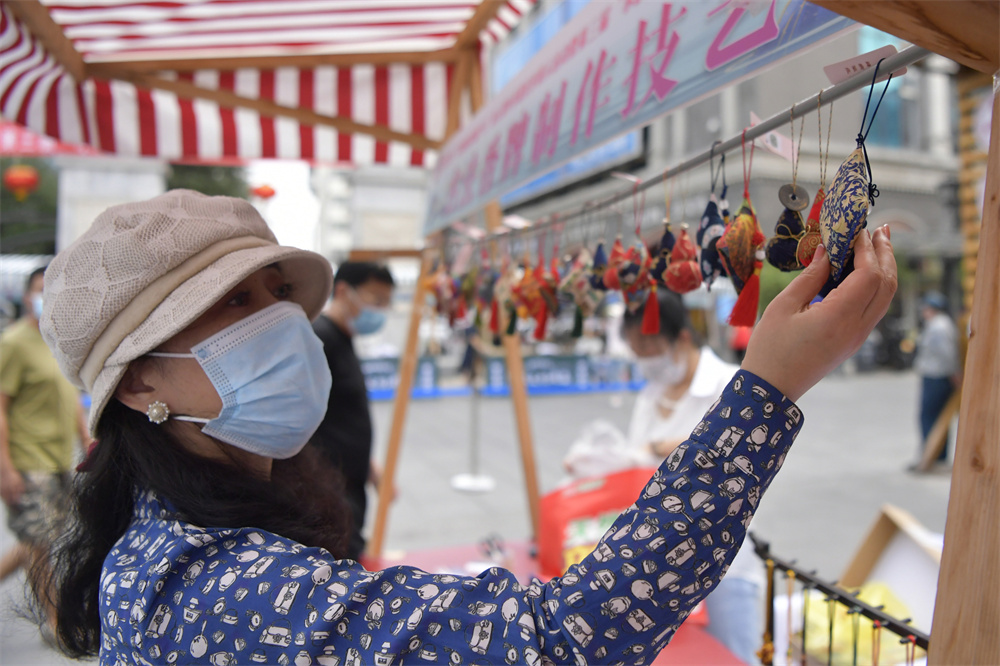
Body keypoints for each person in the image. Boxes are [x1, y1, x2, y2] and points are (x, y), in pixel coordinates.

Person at [36, 190, 896, 664]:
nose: (284, 324)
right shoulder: (219, 588)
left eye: (275, 295)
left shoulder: (172, 544)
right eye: (233, 304)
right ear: (141, 375)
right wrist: (768, 390)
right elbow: (563, 642)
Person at [622, 290, 763, 664]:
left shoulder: (728, 385)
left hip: (721, 561)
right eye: (636, 350)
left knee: (732, 655)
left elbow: (736, 463)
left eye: (649, 347)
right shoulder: (651, 394)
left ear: (681, 337)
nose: (645, 360)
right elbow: (635, 461)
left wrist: (665, 447)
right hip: (659, 565)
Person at [0, 267, 93, 625]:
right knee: (40, 543)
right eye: (40, 291)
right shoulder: (12, 345)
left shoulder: (55, 342)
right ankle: (56, 622)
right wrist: (6, 468)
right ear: (26, 297)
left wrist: (84, 437)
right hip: (27, 460)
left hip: (57, 458)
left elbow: (69, 396)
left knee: (44, 539)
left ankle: (55, 614)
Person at [309, 261, 394, 560]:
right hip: (328, 491)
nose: (381, 310)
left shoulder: (343, 338)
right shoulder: (321, 339)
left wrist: (370, 467)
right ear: (344, 291)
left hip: (350, 482)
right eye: (376, 300)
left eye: (387, 303)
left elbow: (338, 412)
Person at [911, 291, 960, 467]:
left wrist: (954, 375)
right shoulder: (939, 324)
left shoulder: (939, 327)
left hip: (937, 378)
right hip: (937, 376)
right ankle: (935, 455)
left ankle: (933, 455)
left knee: (930, 417)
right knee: (936, 417)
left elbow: (947, 354)